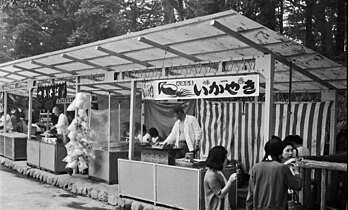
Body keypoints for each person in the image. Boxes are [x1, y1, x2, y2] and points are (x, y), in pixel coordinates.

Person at [246, 137, 302, 209]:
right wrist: (297, 172)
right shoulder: (282, 168)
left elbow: (250, 194)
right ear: (280, 152)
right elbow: (297, 185)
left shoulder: (255, 167)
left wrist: (248, 208)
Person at [204, 146, 237, 210]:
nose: (226, 161)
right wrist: (230, 181)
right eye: (225, 159)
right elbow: (220, 195)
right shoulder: (211, 176)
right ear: (219, 160)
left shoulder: (217, 172)